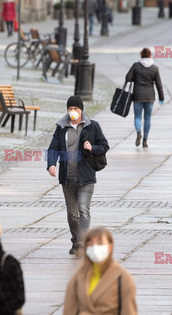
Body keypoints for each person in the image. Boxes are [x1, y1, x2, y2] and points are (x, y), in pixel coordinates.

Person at [47, 96, 109, 255]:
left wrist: (92, 147)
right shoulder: (61, 128)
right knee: (72, 213)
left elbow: (104, 145)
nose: (73, 112)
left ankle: (82, 243)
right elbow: (53, 148)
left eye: (76, 109)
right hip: (67, 177)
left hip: (86, 176)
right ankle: (76, 240)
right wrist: (52, 164)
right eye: (70, 109)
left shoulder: (92, 126)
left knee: (83, 210)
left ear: (81, 110)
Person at [63, 227, 137, 315]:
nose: (95, 248)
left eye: (100, 243)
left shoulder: (122, 278)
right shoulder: (77, 279)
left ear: (110, 247)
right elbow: (69, 310)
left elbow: (128, 311)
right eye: (91, 244)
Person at [125, 47, 164, 148]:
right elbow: (159, 84)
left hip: (138, 95)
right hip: (149, 97)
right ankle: (145, 140)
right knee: (147, 118)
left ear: (141, 55)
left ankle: (138, 133)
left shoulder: (136, 66)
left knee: (137, 117)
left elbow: (128, 78)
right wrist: (161, 97)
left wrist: (136, 77)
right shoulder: (154, 68)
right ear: (150, 55)